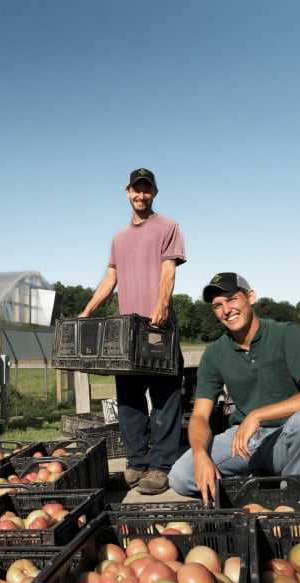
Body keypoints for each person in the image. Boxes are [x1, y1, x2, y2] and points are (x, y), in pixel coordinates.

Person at [168, 272, 300, 504]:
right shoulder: (214, 353)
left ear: (251, 297)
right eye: (217, 305)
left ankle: (289, 500)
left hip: (286, 436)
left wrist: (257, 415)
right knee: (180, 476)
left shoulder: (286, 334)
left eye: (232, 299)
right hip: (244, 443)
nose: (226, 310)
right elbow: (199, 416)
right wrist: (200, 455)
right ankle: (258, 483)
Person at [79, 168, 186, 495]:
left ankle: (161, 466)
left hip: (158, 327)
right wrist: (86, 312)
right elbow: (111, 278)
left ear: (154, 192)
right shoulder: (119, 237)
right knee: (128, 399)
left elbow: (168, 270)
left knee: (165, 397)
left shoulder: (168, 227)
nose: (142, 195)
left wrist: (161, 304)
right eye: (136, 190)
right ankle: (136, 464)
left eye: (147, 190)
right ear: (127, 191)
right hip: (128, 333)